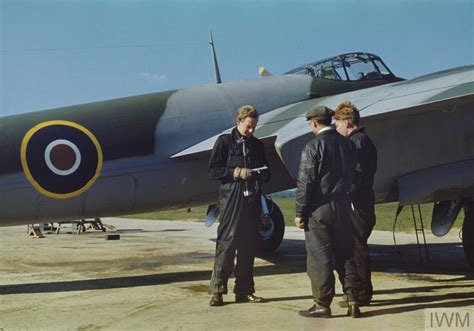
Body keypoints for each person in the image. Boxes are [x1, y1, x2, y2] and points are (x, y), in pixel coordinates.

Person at [294, 105, 361, 318]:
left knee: (320, 258)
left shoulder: (312, 147)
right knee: (346, 255)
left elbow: (306, 181)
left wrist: (300, 212)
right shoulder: (348, 144)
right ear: (330, 120)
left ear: (314, 123)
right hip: (343, 205)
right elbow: (355, 174)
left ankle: (322, 304)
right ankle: (352, 299)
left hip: (319, 209)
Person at [208, 105, 271, 307]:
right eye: (248, 127)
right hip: (231, 196)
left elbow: (267, 173)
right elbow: (214, 170)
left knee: (248, 245)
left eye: (254, 127)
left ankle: (244, 291)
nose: (251, 131)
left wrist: (257, 173)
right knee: (227, 244)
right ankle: (217, 291)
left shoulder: (257, 145)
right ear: (239, 122)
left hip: (251, 196)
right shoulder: (224, 142)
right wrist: (235, 172)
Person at [333, 100, 377, 306]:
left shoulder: (356, 143)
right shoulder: (363, 140)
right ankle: (362, 291)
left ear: (347, 122)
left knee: (357, 249)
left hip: (356, 204)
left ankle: (362, 293)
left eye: (338, 124)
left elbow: (357, 175)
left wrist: (343, 192)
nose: (336, 128)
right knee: (358, 248)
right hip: (363, 202)